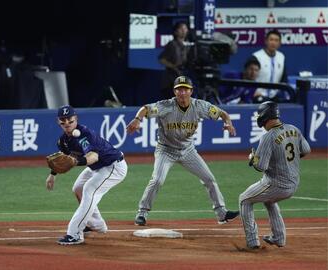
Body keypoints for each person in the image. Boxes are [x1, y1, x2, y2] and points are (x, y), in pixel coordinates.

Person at [126, 76, 239, 226]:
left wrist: (228, 123)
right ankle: (142, 213)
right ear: (174, 91)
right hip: (165, 150)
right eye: (179, 89)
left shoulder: (200, 106)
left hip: (188, 151)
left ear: (191, 91)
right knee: (157, 180)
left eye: (185, 89)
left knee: (209, 179)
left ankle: (221, 213)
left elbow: (222, 113)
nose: (182, 92)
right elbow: (145, 109)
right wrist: (137, 119)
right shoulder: (166, 106)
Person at [46, 105, 128, 245]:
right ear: (58, 121)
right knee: (78, 188)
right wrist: (53, 174)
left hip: (113, 166)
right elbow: (62, 159)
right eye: (63, 121)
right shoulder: (63, 141)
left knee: (89, 189)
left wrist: (75, 162)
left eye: (70, 120)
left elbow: (93, 157)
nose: (67, 123)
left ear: (75, 119)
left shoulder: (85, 135)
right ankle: (96, 224)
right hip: (97, 168)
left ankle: (75, 234)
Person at [239, 101, 311, 249]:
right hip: (294, 184)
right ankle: (279, 237)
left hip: (276, 184)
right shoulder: (294, 129)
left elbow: (261, 167)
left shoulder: (268, 137)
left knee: (244, 200)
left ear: (265, 116)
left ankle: (252, 241)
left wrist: (253, 159)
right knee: (269, 201)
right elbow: (306, 150)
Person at [252, 30, 288, 102]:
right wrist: (252, 92)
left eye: (276, 40)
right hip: (259, 95)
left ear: (279, 43)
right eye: (271, 40)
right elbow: (249, 77)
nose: (273, 43)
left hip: (275, 96)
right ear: (266, 41)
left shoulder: (281, 57)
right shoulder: (256, 57)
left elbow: (283, 79)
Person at [158, 22, 190, 99]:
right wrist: (174, 67)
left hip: (182, 80)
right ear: (175, 32)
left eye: (185, 28)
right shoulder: (172, 44)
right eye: (181, 29)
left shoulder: (187, 45)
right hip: (171, 81)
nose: (184, 31)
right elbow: (161, 59)